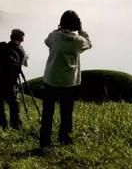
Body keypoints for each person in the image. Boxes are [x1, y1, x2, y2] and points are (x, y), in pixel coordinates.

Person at [39, 10, 92, 149]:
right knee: (66, 112)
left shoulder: (54, 37)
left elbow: (46, 41)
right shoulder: (78, 41)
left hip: (51, 79)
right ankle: (65, 139)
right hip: (69, 82)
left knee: (47, 112)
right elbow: (89, 43)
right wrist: (81, 30)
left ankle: (45, 142)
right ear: (76, 24)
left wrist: (58, 29)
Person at [0, 29, 29, 130]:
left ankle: (2, 125)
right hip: (10, 82)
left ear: (11, 37)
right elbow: (26, 64)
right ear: (21, 39)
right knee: (13, 105)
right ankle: (15, 126)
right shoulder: (22, 51)